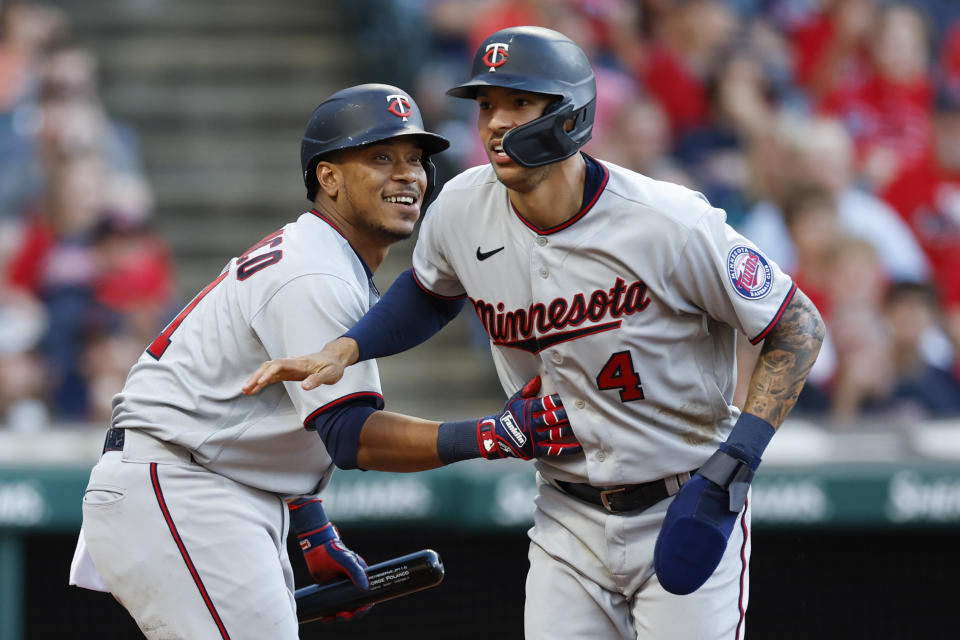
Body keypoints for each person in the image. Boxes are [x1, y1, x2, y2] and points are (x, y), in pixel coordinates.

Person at [244, 27, 826, 639]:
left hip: (683, 500)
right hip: (565, 513)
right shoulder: (463, 206)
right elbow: (429, 293)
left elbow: (798, 324)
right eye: (486, 105)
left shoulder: (669, 222)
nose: (494, 123)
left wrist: (737, 465)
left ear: (570, 115)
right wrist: (352, 345)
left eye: (518, 103)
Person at [68, 83, 580, 640]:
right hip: (183, 486)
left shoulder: (323, 255)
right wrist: (489, 435)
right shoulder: (317, 273)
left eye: (416, 158)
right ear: (328, 177)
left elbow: (277, 412)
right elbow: (350, 435)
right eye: (381, 156)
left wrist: (311, 526)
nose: (408, 174)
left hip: (207, 483)